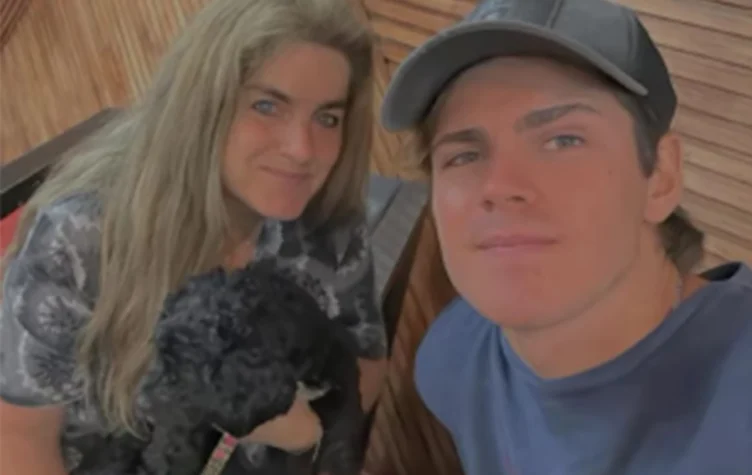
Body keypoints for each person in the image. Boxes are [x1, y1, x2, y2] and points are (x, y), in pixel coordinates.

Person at [0, 0, 387, 473]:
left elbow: (365, 359)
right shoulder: (80, 238)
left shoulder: (327, 223)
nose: (302, 150)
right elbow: (19, 438)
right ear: (202, 105)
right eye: (267, 106)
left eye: (327, 118)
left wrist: (305, 431)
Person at [380, 0, 752, 474]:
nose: (499, 185)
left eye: (563, 140)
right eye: (464, 155)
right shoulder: (453, 360)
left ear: (660, 176)